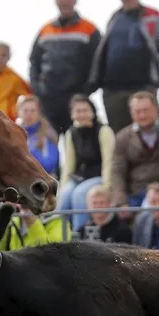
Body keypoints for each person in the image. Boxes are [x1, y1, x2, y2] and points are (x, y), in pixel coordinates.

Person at [89, 0, 159, 134]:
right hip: (113, 88)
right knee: (120, 135)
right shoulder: (115, 17)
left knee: (151, 132)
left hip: (142, 85)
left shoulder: (153, 16)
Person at [29, 0, 101, 135]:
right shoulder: (45, 30)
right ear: (56, 1)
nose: (65, 2)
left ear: (75, 0)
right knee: (48, 141)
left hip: (76, 97)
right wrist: (37, 87)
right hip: (49, 97)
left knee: (77, 141)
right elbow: (34, 61)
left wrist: (88, 89)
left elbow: (99, 62)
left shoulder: (89, 29)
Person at [58, 94, 114, 230]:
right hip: (79, 178)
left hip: (99, 176)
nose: (82, 114)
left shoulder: (103, 131)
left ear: (93, 112)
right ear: (72, 114)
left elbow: (109, 161)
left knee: (79, 195)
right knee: (64, 198)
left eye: (85, 110)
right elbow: (68, 165)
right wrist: (62, 188)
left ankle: (79, 237)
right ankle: (62, 238)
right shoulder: (71, 133)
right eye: (78, 111)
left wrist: (107, 186)